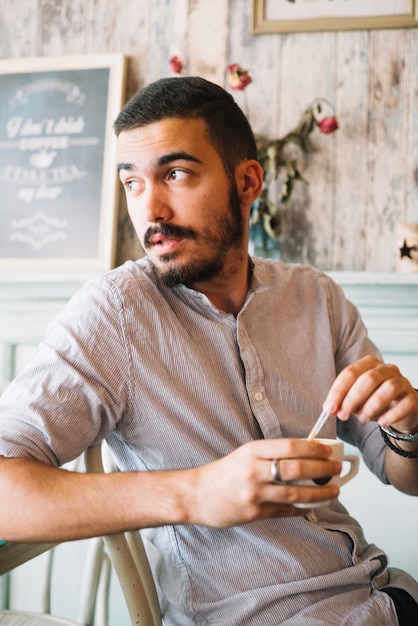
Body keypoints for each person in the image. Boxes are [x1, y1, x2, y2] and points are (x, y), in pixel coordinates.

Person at [0, 76, 417, 625]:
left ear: (247, 181)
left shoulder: (315, 297)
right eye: (132, 184)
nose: (151, 209)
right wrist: (195, 493)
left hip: (386, 598)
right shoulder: (114, 313)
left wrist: (408, 425)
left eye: (175, 174)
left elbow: (402, 472)